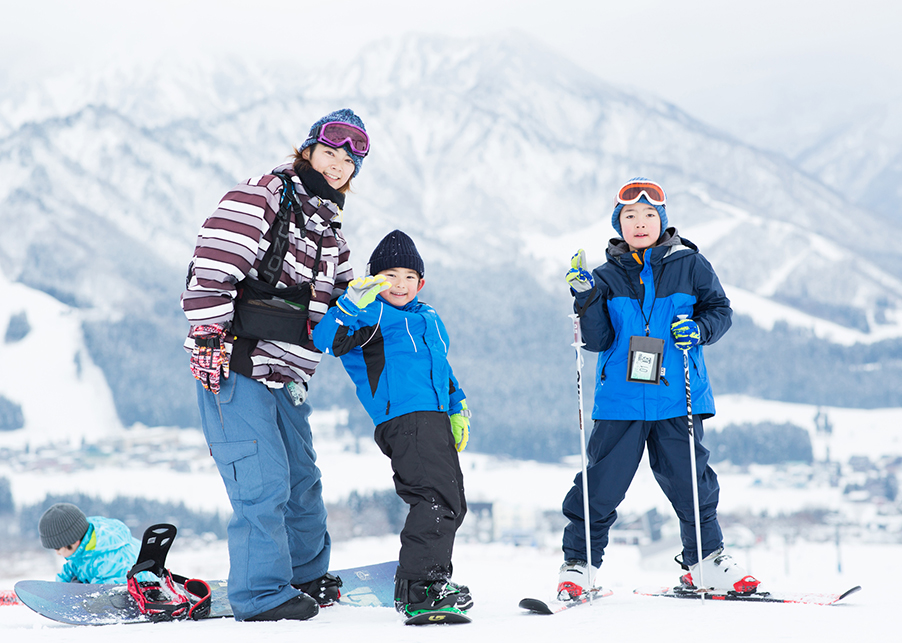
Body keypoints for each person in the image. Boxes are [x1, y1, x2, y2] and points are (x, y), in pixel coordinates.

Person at [181, 108, 370, 622]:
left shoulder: (331, 229)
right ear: (307, 150)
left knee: (303, 482)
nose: (336, 166)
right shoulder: (263, 195)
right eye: (329, 153)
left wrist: (364, 315)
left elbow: (342, 303)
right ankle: (262, 594)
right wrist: (208, 336)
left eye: (348, 161)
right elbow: (214, 263)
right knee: (261, 483)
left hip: (288, 376)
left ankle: (306, 575)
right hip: (237, 363)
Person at [557, 177, 759, 599]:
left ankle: (705, 562)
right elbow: (597, 341)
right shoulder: (604, 277)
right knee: (601, 485)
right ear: (619, 224)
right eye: (630, 215)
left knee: (692, 482)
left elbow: (720, 310)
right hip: (621, 401)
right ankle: (579, 565)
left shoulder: (691, 264)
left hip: (678, 395)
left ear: (663, 220)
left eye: (649, 214)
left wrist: (699, 328)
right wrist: (586, 299)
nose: (640, 222)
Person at [311, 230, 472, 619]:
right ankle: (420, 588)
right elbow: (325, 339)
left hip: (433, 416)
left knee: (452, 502)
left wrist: (456, 406)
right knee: (433, 498)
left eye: (408, 277)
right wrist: (350, 303)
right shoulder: (369, 313)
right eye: (390, 275)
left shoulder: (428, 317)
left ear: (421, 282)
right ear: (374, 279)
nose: (400, 284)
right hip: (403, 418)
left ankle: (430, 579)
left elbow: (441, 368)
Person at [39, 503, 143, 584]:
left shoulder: (108, 558)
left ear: (74, 542)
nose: (57, 553)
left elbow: (105, 594)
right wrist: (57, 590)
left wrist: (81, 590)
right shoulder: (82, 549)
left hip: (143, 595)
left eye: (58, 549)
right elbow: (71, 569)